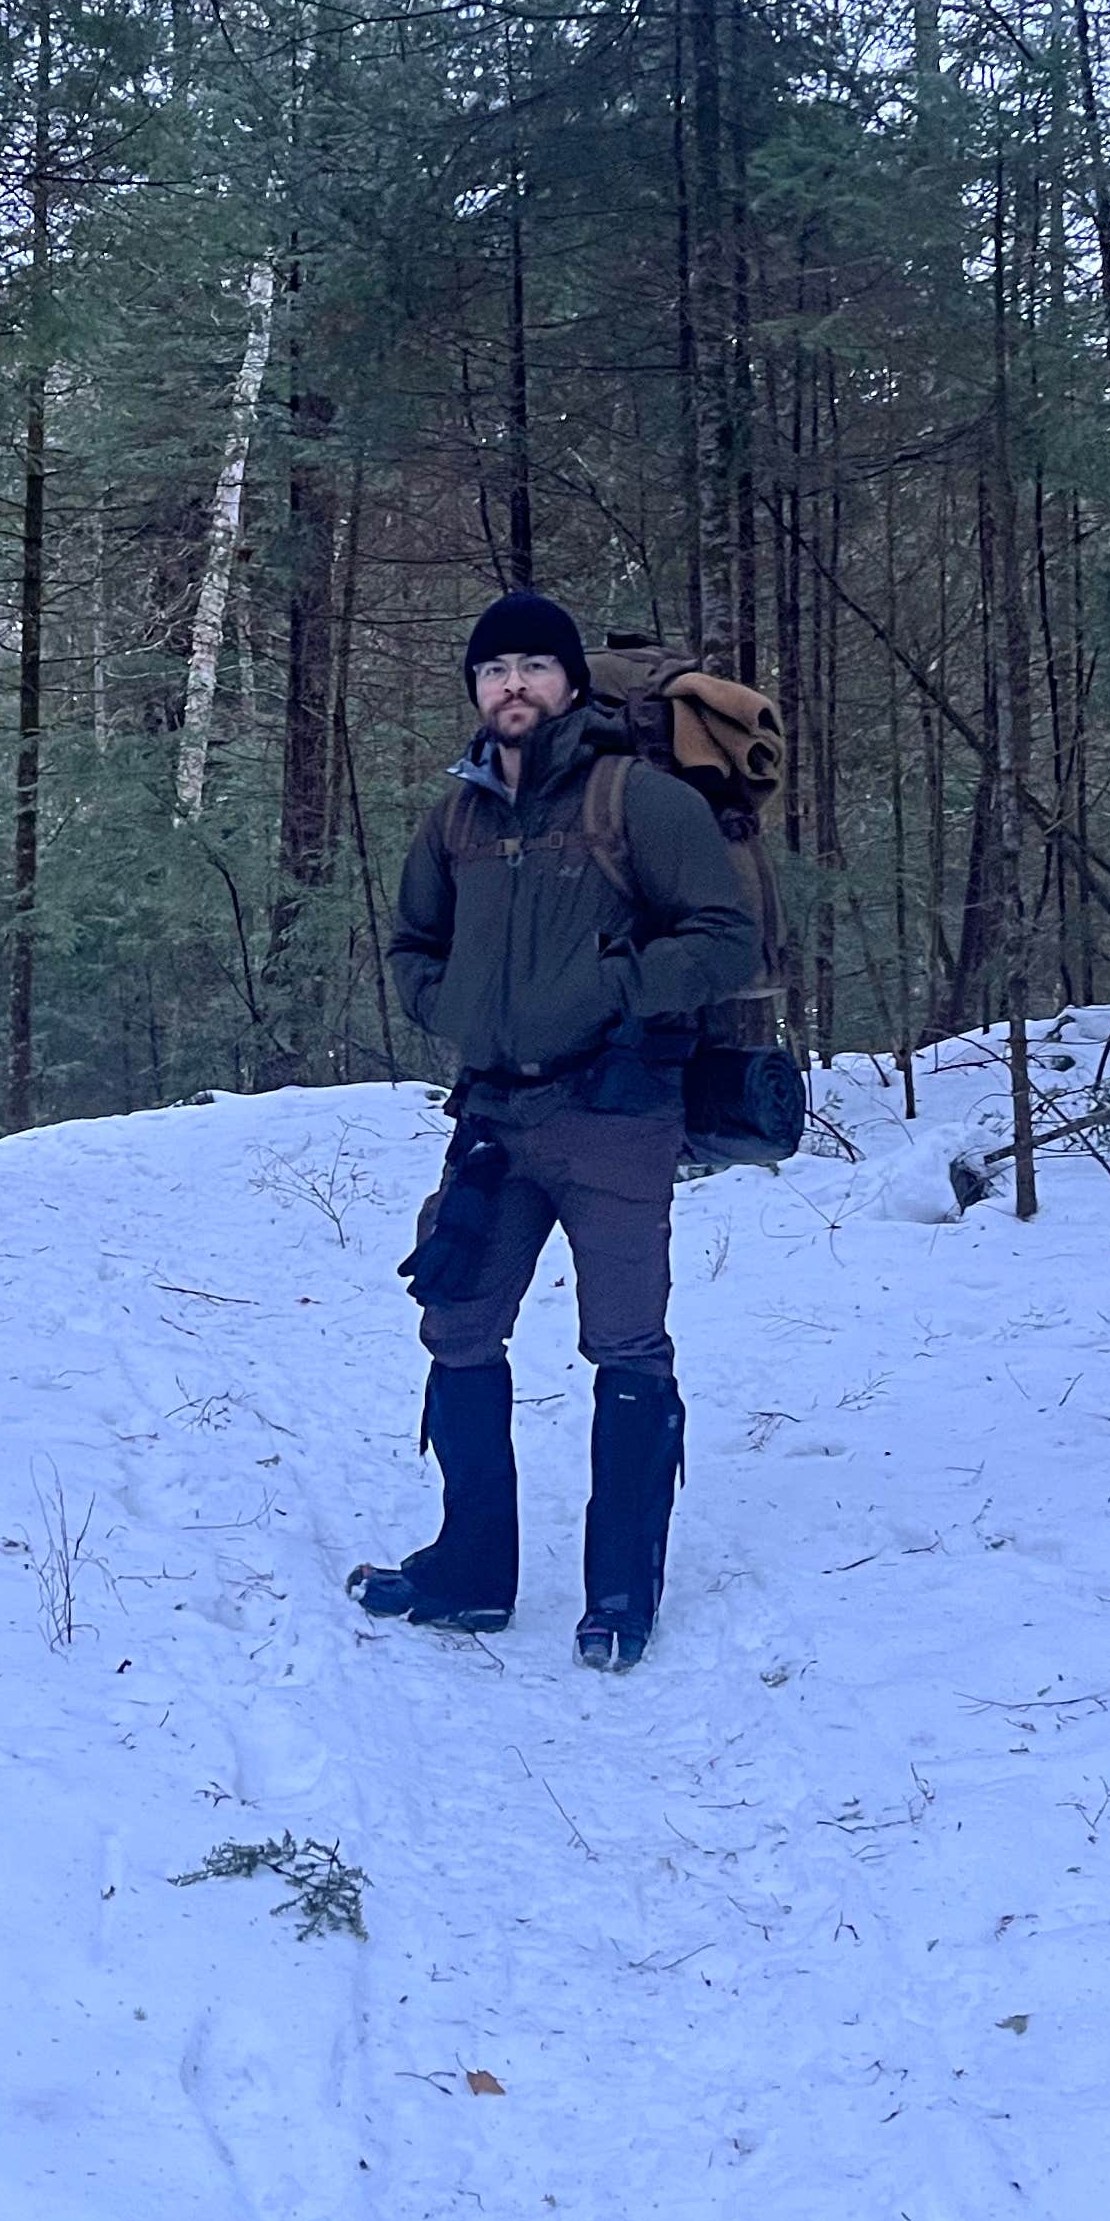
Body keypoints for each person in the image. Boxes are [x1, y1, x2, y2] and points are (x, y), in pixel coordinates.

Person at [350, 588, 755, 1668]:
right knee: (459, 1322)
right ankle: (471, 1571)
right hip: (492, 1116)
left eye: (533, 666)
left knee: (624, 1343)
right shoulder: (458, 816)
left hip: (616, 1117)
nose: (512, 685)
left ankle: (621, 1591)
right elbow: (412, 944)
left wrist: (618, 989)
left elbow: (725, 941)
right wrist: (453, 1008)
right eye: (493, 671)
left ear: (570, 684)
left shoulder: (640, 801)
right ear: (476, 691)